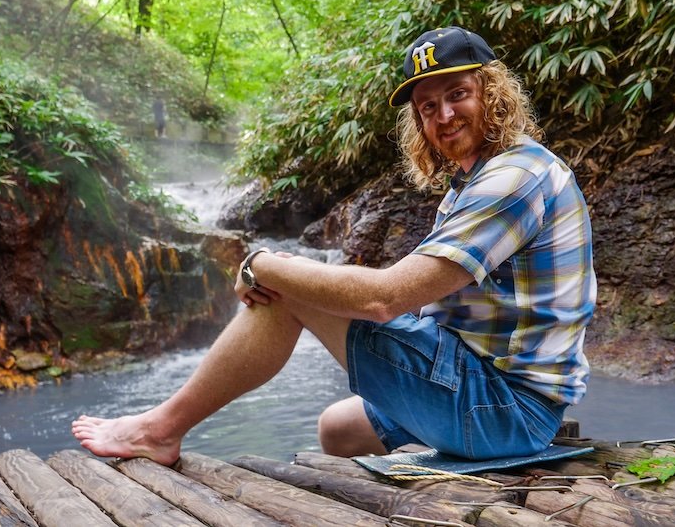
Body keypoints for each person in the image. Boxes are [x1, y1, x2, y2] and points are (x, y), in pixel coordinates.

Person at [72, 26, 596, 465]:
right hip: (490, 388)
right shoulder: (480, 178)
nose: (443, 116)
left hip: (507, 410)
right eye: (427, 106)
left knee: (286, 289)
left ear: (493, 94)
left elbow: (387, 298)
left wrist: (264, 263)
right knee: (337, 430)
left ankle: (161, 430)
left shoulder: (514, 180)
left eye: (458, 94)